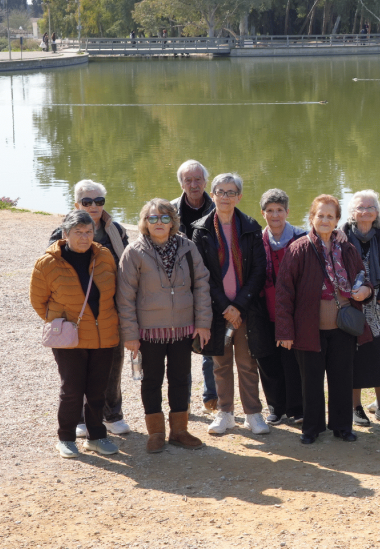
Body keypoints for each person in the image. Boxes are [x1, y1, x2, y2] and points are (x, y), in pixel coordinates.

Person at [276, 195, 374, 444]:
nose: (325, 220)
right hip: (309, 328)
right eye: (320, 215)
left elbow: (363, 277)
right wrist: (285, 331)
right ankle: (312, 428)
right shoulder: (298, 248)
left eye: (330, 216)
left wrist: (366, 290)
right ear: (311, 218)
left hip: (343, 327)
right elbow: (284, 292)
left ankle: (342, 427)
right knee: (311, 381)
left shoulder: (347, 248)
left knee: (342, 378)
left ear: (337, 220)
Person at [116, 199, 211, 452]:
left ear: (172, 222)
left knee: (180, 379)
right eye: (153, 218)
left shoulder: (188, 247)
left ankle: (179, 431)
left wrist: (203, 323)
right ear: (145, 222)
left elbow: (202, 285)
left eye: (165, 218)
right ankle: (156, 433)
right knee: (152, 381)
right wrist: (130, 334)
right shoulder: (134, 252)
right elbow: (125, 297)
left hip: (183, 327)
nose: (159, 222)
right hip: (149, 331)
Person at [31, 211, 122, 458]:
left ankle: (97, 437)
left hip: (103, 334)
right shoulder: (47, 263)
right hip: (70, 337)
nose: (84, 237)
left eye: (89, 232)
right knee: (71, 389)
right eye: (78, 232)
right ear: (65, 234)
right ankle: (66, 438)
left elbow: (115, 292)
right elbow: (39, 302)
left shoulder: (104, 256)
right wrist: (60, 322)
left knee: (97, 390)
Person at [189, 173, 274, 436]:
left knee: (247, 363)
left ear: (239, 197)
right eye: (220, 192)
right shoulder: (200, 229)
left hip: (246, 310)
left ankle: (253, 414)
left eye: (231, 192)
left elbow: (259, 270)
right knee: (220, 364)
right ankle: (225, 413)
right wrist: (225, 307)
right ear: (213, 195)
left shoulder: (251, 227)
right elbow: (201, 273)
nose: (225, 197)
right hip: (217, 311)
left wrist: (239, 306)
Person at [48, 179, 131, 437]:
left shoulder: (116, 230)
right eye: (87, 201)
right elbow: (49, 277)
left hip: (110, 311)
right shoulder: (61, 232)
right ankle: (81, 419)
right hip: (76, 313)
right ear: (77, 204)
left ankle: (112, 414)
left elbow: (128, 267)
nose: (93, 206)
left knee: (112, 365)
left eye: (99, 201)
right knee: (78, 370)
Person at [342, 190, 380, 427]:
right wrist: (351, 295)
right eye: (360, 207)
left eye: (370, 207)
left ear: (377, 212)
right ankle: (355, 407)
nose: (365, 211)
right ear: (352, 212)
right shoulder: (342, 235)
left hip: (379, 305)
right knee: (353, 356)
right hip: (352, 303)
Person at [170, 160, 217, 412]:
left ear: (205, 181)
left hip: (210, 284)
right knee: (181, 348)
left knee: (210, 342)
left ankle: (212, 396)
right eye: (188, 180)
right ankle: (184, 402)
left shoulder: (218, 207)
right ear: (181, 184)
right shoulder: (169, 210)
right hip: (178, 287)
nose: (194, 184)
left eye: (198, 179)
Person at [257, 189, 307, 426]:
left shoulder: (302, 237)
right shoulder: (257, 240)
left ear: (287, 212)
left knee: (294, 361)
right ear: (263, 213)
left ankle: (297, 407)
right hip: (265, 309)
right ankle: (275, 407)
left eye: (279, 210)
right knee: (268, 360)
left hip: (294, 310)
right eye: (270, 210)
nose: (275, 215)